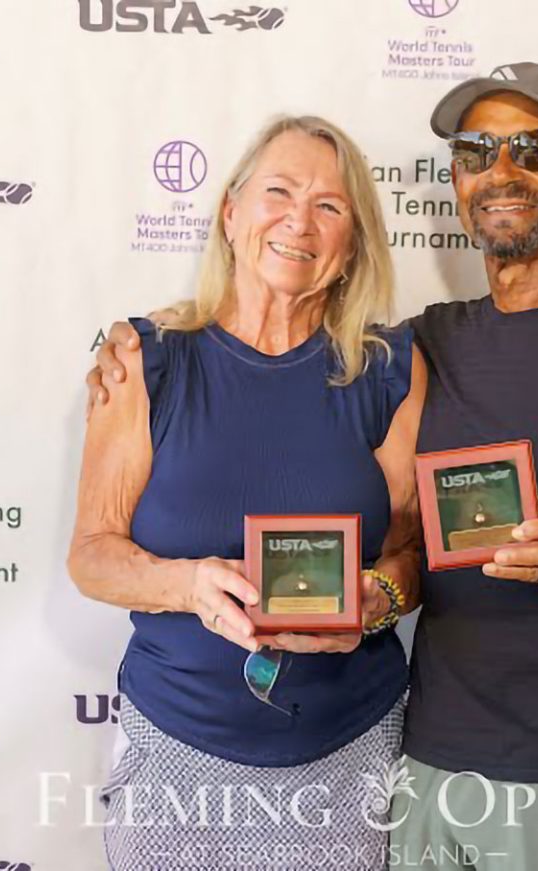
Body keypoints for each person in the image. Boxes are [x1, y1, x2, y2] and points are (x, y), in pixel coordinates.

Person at [89, 64, 538, 871]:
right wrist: (169, 342)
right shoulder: (425, 345)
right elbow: (402, 542)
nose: (502, 170)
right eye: (478, 151)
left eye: (535, 148)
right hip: (424, 755)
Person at [68, 114, 426, 870]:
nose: (300, 220)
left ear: (353, 242)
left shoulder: (390, 368)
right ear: (230, 212)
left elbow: (410, 550)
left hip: (347, 746)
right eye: (280, 191)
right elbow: (93, 555)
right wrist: (189, 585)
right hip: (176, 744)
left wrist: (377, 598)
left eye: (331, 206)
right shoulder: (144, 357)